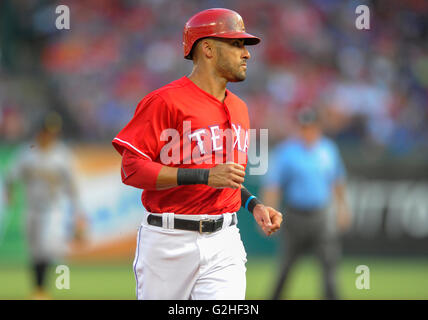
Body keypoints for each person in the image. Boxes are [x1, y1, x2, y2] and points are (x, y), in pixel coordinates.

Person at [112, 8, 283, 300]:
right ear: (207, 48)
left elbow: (224, 179)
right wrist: (204, 175)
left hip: (224, 239)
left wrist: (253, 204)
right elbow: (132, 169)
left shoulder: (240, 108)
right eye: (236, 44)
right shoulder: (165, 101)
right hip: (169, 241)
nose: (247, 54)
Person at [262, 108, 351, 300]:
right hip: (296, 216)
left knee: (330, 268)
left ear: (317, 128)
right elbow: (273, 186)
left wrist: (343, 209)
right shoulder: (287, 151)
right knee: (285, 267)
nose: (307, 131)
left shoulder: (328, 149)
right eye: (304, 127)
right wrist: (268, 212)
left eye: (310, 127)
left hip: (322, 215)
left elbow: (337, 181)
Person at [5, 112, 85, 300]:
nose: (50, 135)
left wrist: (78, 213)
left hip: (52, 209)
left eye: (53, 132)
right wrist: (9, 196)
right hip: (31, 208)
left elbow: (73, 187)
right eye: (47, 131)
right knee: (34, 252)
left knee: (46, 247)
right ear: (40, 131)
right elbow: (10, 176)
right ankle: (38, 290)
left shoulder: (63, 155)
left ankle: (42, 290)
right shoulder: (27, 153)